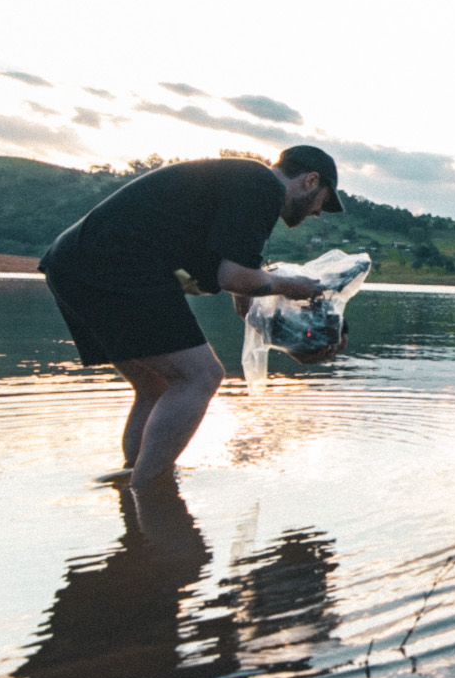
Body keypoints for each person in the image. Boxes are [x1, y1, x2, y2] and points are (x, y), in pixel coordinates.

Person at [38, 146, 345, 487]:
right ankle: (150, 491)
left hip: (71, 261)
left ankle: (133, 483)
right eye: (324, 200)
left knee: (156, 386)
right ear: (310, 181)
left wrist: (296, 335)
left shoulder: (246, 184)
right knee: (201, 376)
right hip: (115, 262)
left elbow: (240, 286)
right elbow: (235, 277)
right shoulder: (264, 186)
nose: (319, 212)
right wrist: (293, 286)